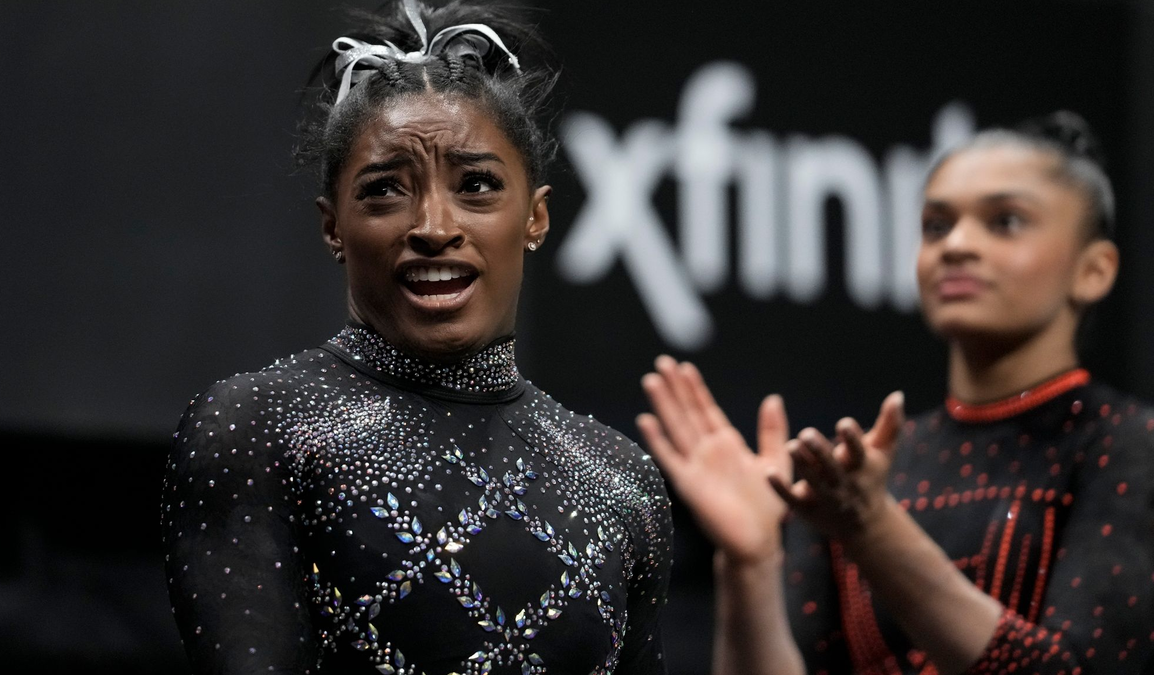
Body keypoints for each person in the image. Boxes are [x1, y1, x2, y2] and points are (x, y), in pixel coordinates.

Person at [160, 2, 672, 673]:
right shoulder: (260, 427)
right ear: (332, 226)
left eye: (478, 186)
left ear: (536, 217)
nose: (433, 224)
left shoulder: (620, 482)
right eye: (384, 191)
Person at [639, 113, 1154, 674]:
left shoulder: (1127, 445)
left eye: (1005, 222)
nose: (957, 245)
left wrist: (874, 529)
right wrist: (751, 563)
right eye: (936, 225)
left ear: (1094, 270)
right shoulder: (857, 475)